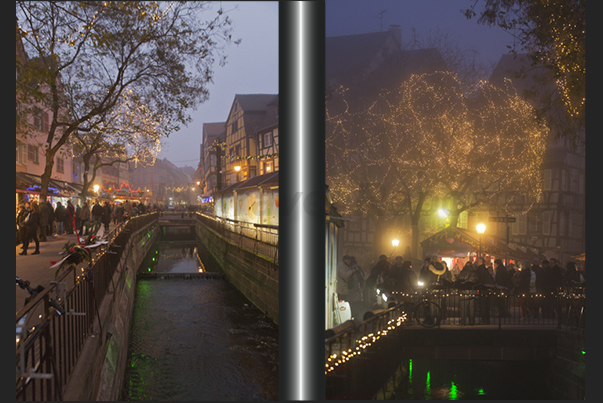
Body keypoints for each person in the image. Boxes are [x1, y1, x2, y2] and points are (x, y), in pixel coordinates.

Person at [457, 261, 479, 325]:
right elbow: (478, 280)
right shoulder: (474, 273)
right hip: (472, 292)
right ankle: (472, 322)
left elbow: (459, 280)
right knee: (472, 308)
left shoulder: (462, 273)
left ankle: (463, 321)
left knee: (463, 308)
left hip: (464, 292)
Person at [346, 257, 366, 323]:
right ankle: (353, 317)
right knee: (352, 305)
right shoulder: (349, 271)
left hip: (358, 290)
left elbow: (362, 278)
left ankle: (357, 318)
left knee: (358, 304)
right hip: (352, 291)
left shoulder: (358, 271)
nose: (355, 266)